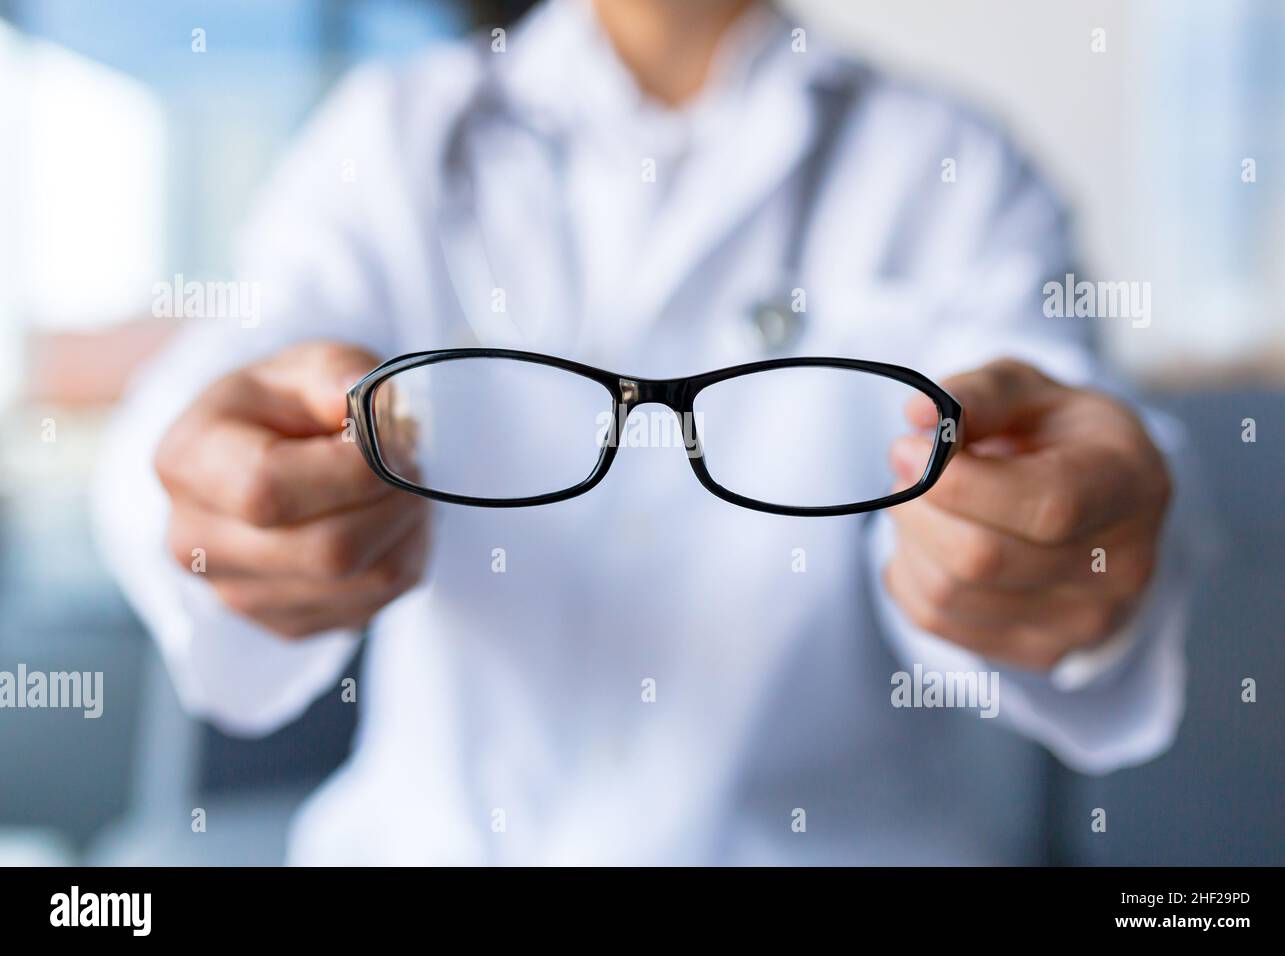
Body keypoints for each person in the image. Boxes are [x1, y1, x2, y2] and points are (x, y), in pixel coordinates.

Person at [94, 0, 1194, 864]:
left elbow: (1060, 428)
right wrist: (210, 497)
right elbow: (215, 388)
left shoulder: (954, 169)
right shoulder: (390, 141)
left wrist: (1075, 540)